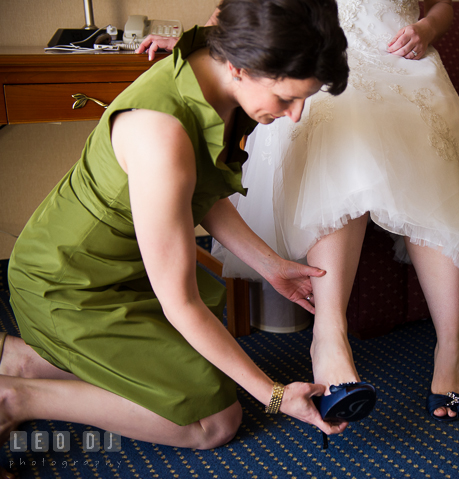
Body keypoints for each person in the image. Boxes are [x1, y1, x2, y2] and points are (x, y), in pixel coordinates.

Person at [3, 0, 351, 460]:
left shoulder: (216, 55)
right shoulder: (159, 135)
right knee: (215, 420)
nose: (296, 114)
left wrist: (272, 266)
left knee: (212, 372)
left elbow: (199, 189)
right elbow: (181, 302)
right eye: (287, 97)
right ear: (240, 67)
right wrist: (273, 395)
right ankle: (16, 398)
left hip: (129, 271)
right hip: (69, 288)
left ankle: (25, 360)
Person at [143, 0, 459, 422]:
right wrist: (204, 47)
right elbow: (248, 5)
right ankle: (329, 335)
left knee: (432, 160)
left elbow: (443, 6)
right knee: (337, 142)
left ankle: (451, 344)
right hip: (315, 58)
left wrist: (426, 29)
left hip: (401, 55)